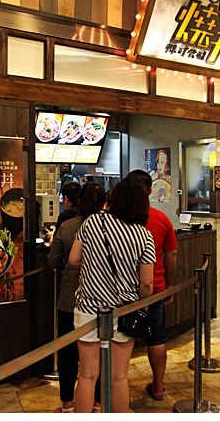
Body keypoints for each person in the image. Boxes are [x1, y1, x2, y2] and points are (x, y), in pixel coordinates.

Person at [68, 176, 155, 413]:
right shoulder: (144, 236)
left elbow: (73, 259)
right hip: (124, 311)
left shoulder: (93, 222)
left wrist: (94, 266)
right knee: (118, 376)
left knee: (87, 375)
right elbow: (146, 283)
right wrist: (143, 307)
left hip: (88, 308)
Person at [48, 182, 106, 413]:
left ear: (79, 201)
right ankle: (98, 403)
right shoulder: (112, 227)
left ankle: (68, 404)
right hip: (102, 299)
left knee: (68, 353)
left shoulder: (68, 226)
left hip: (70, 299)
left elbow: (53, 261)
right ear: (104, 203)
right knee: (101, 352)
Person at [127, 170, 177, 401]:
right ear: (149, 191)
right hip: (155, 289)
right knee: (156, 337)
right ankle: (158, 386)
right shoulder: (161, 218)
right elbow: (171, 254)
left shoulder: (117, 220)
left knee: (121, 339)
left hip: (123, 291)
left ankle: (117, 385)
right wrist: (168, 284)